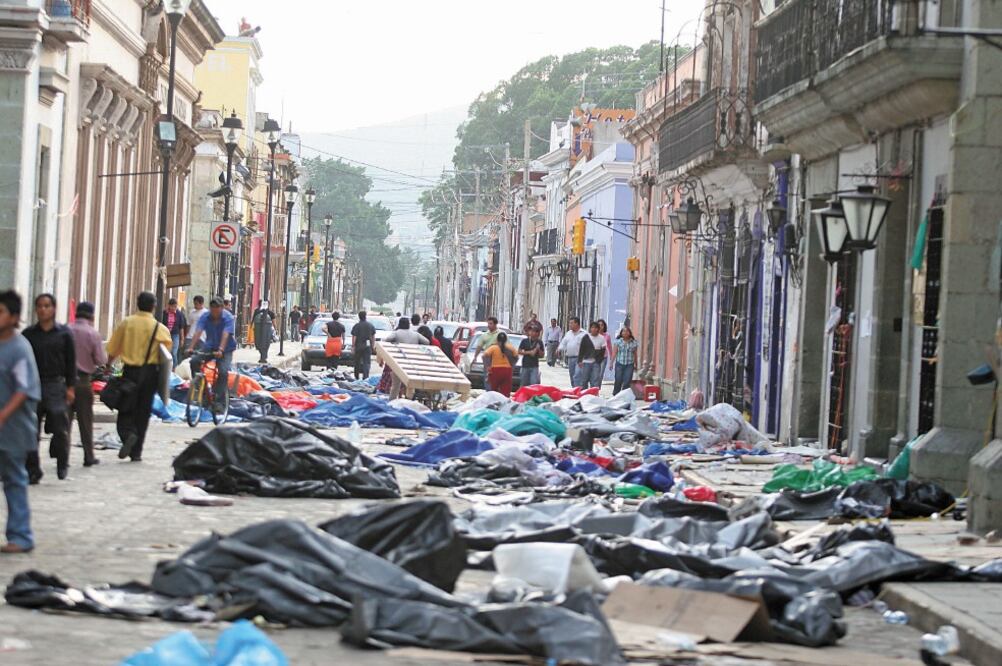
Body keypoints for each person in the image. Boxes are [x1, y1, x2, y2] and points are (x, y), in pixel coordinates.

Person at [106, 291, 171, 462]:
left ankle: (128, 435)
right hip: (150, 375)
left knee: (125, 409)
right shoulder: (160, 328)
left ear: (137, 304)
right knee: (143, 412)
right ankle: (137, 452)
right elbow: (166, 354)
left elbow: (113, 348)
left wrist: (108, 365)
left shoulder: (127, 323)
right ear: (153, 306)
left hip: (130, 372)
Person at [0, 290, 41, 554]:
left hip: (13, 427)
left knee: (14, 479)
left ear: (14, 317)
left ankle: (21, 535)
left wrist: (3, 415)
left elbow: (23, 388)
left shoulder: (19, 348)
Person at [23, 294, 75, 483]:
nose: (43, 309)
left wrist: (70, 387)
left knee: (60, 427)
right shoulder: (28, 335)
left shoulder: (64, 334)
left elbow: (71, 362)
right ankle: (33, 469)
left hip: (56, 385)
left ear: (53, 308)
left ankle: (62, 461)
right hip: (33, 386)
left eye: (46, 306)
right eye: (39, 306)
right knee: (31, 430)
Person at [68, 301, 107, 468]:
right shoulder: (93, 334)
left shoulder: (65, 331)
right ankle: (88, 456)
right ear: (91, 316)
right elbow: (100, 360)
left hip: (65, 383)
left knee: (65, 421)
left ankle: (63, 456)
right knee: (85, 422)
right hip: (83, 382)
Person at [187, 298, 236, 409]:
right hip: (209, 346)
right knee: (194, 361)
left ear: (222, 309)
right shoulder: (205, 317)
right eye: (212, 310)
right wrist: (191, 347)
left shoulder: (228, 318)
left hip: (226, 349)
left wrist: (221, 350)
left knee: (223, 371)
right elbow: (198, 332)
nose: (214, 313)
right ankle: (201, 389)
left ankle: (219, 400)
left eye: (217, 311)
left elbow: (225, 334)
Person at [378, 317, 429, 398]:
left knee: (395, 385)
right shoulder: (415, 334)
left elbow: (387, 339)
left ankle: (392, 401)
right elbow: (427, 342)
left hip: (399, 363)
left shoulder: (396, 333)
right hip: (412, 363)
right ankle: (408, 401)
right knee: (410, 385)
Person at [482, 332, 518, 396]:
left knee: (494, 390)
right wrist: (512, 366)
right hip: (507, 370)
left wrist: (488, 366)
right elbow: (516, 357)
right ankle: (504, 401)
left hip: (495, 370)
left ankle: (495, 401)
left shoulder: (493, 347)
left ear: (497, 339)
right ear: (506, 340)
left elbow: (484, 356)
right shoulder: (510, 347)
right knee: (506, 391)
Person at [576, 321, 607, 390]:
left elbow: (603, 350)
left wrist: (599, 360)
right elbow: (582, 349)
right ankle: (584, 393)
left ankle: (594, 393)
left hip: (596, 362)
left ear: (598, 329)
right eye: (592, 327)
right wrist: (580, 360)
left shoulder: (601, 338)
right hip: (586, 362)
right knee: (584, 379)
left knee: (595, 380)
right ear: (590, 328)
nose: (594, 329)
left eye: (596, 328)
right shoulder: (586, 337)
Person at [557, 317, 586, 387]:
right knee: (572, 376)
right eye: (569, 323)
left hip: (580, 358)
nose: (569, 325)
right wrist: (559, 349)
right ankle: (574, 389)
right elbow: (563, 343)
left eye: (571, 323)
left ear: (577, 324)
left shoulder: (584, 334)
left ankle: (579, 390)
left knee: (577, 375)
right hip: (570, 358)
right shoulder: (568, 333)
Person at [161, 298, 187, 368]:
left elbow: (181, 327)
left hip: (175, 335)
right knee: (166, 352)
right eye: (172, 306)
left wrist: (182, 339)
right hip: (165, 334)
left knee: (174, 352)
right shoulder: (164, 313)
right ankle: (166, 367)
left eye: (175, 306)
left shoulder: (179, 314)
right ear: (169, 305)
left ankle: (175, 368)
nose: (174, 308)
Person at [612, 326, 639, 395]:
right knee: (618, 379)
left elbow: (635, 354)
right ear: (621, 333)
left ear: (630, 333)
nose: (625, 332)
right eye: (623, 331)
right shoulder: (618, 342)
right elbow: (614, 352)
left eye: (627, 331)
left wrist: (636, 364)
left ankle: (624, 395)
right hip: (619, 363)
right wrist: (611, 363)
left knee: (627, 380)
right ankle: (616, 394)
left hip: (630, 364)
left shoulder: (634, 342)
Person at [350, 311, 376, 380]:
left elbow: (354, 337)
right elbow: (373, 337)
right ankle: (365, 377)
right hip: (367, 346)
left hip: (358, 346)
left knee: (357, 362)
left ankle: (356, 376)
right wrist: (373, 346)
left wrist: (353, 346)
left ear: (359, 317)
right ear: (365, 316)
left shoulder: (357, 326)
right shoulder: (370, 325)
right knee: (366, 362)